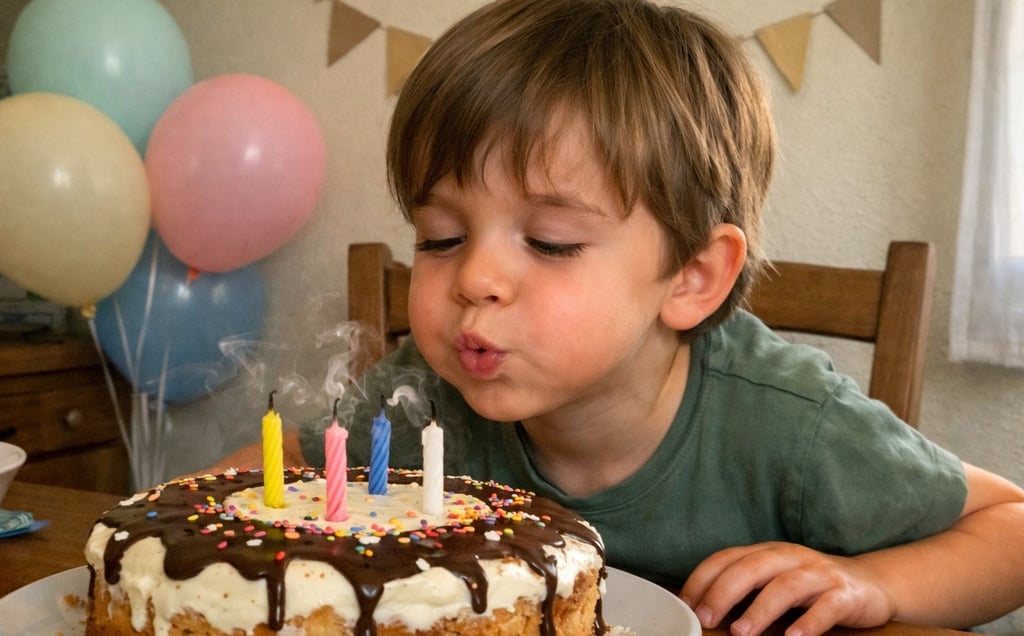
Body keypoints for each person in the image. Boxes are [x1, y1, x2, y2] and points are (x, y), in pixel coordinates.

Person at [213, 1, 1024, 634]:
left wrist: (873, 584)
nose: (475, 279)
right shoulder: (423, 394)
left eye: (552, 242)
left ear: (692, 277)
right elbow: (265, 478)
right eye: (441, 237)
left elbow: (1012, 530)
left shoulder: (788, 424)